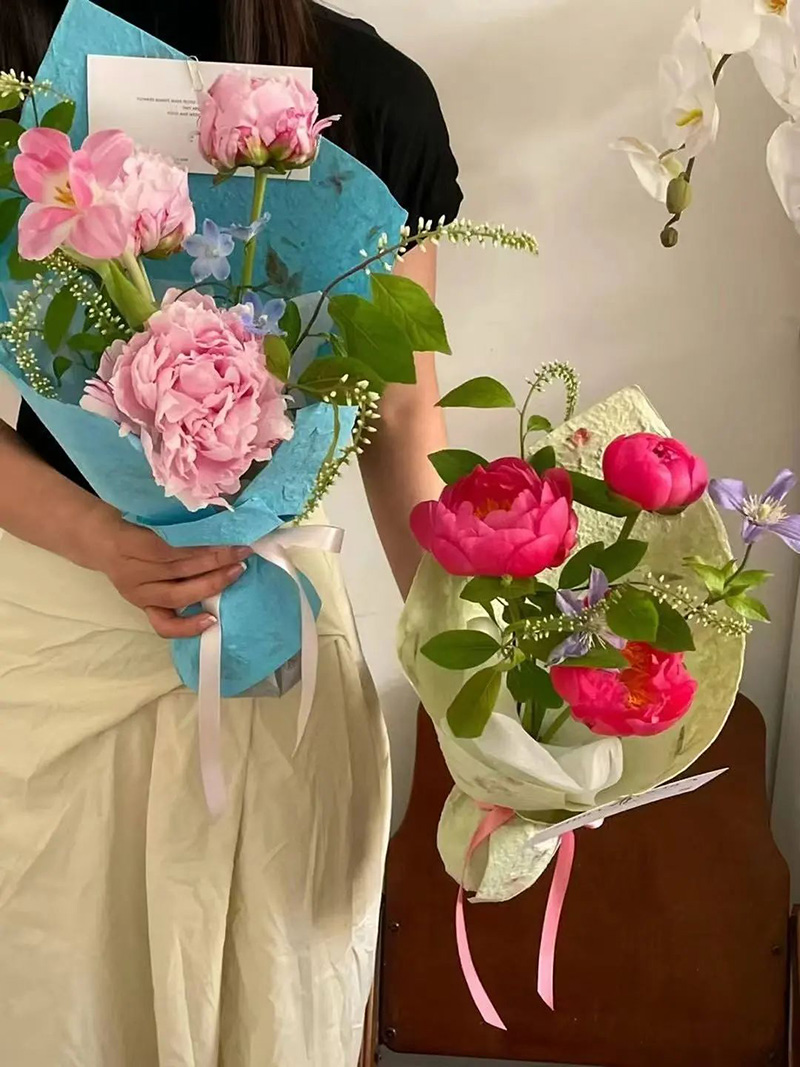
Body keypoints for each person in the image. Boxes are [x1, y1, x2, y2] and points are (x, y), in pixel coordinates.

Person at [0, 2, 462, 1064]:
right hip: (51, 657)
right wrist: (102, 535)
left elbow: (399, 419)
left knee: (274, 1013)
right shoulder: (14, 68)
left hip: (278, 658)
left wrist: (480, 679)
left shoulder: (370, 92)